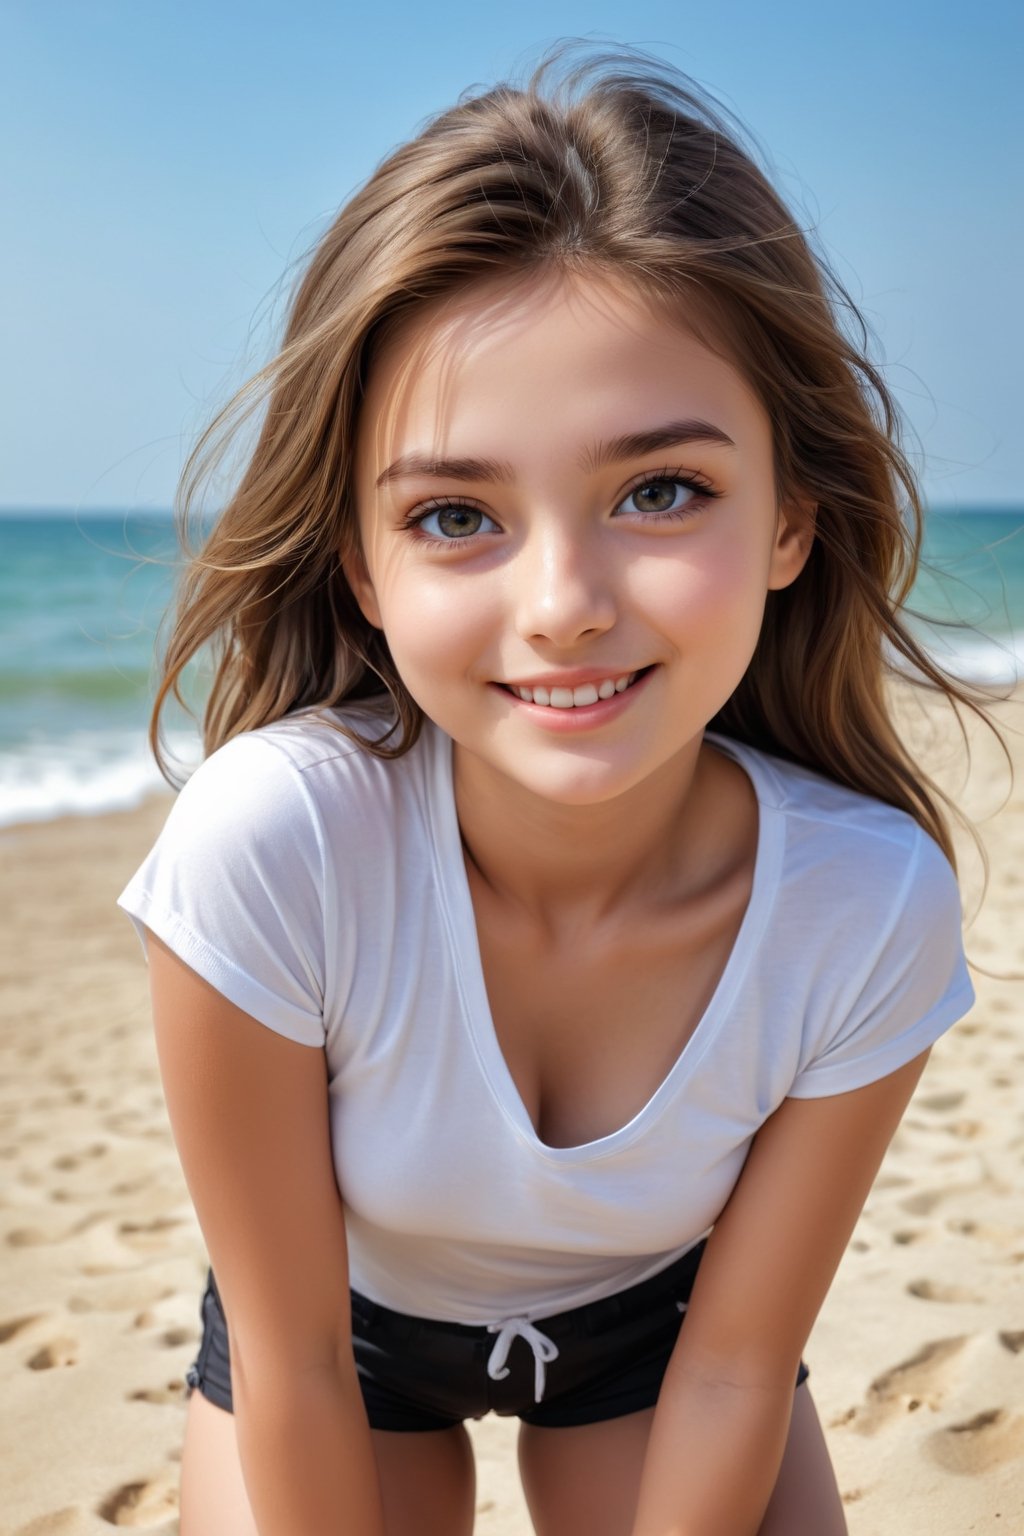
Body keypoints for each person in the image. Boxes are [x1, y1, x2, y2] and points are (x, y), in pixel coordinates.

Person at [118, 45, 988, 1536]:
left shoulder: (866, 902)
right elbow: (296, 1361)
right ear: (363, 569)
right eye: (457, 515)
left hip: (664, 1344)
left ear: (793, 516)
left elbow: (734, 1369)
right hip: (342, 1344)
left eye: (660, 491)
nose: (565, 604)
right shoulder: (273, 847)